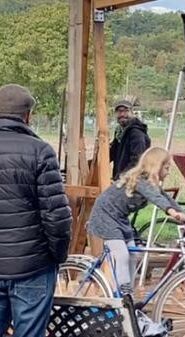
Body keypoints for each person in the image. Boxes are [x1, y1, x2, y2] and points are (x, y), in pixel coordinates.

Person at [0, 84, 72, 337]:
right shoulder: (40, 151)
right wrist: (58, 257)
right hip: (32, 266)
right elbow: (57, 216)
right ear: (27, 115)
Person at [87, 147, 185, 294]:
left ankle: (127, 291)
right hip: (105, 216)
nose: (168, 172)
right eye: (166, 168)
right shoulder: (141, 181)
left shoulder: (152, 185)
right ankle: (122, 294)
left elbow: (166, 199)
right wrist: (172, 213)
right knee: (121, 255)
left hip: (120, 218)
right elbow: (156, 199)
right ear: (156, 166)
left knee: (133, 255)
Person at [110, 100, 151, 180]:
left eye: (126, 111)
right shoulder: (119, 132)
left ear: (132, 113)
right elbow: (112, 153)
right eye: (119, 111)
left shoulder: (136, 134)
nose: (122, 114)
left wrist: (121, 178)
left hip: (133, 182)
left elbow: (137, 161)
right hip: (122, 180)